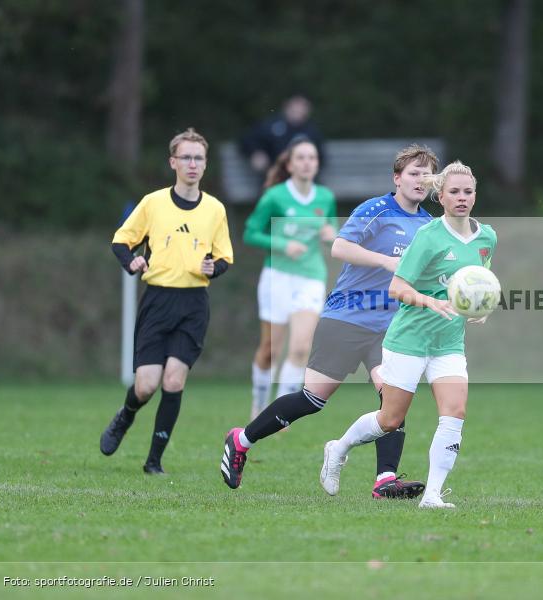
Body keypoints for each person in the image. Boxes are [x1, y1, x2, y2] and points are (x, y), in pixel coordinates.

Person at [221, 144, 439, 499]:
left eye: (426, 175)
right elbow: (339, 247)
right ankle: (241, 440)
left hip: (390, 327)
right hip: (347, 317)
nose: (420, 180)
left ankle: (385, 480)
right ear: (397, 178)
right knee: (312, 399)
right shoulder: (375, 209)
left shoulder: (428, 226)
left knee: (394, 400)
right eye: (413, 173)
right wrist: (385, 262)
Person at [318, 160, 497, 509]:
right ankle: (338, 448)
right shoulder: (427, 236)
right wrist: (430, 301)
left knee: (455, 411)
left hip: (448, 342)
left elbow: (479, 281)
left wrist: (482, 308)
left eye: (468, 192)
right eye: (454, 192)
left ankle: (432, 495)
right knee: (390, 419)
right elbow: (398, 287)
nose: (462, 198)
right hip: (409, 339)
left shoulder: (487, 237)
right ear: (441, 196)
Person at [101, 128, 234, 474]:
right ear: (173, 162)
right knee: (145, 385)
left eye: (199, 158)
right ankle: (125, 415)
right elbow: (121, 242)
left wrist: (213, 267)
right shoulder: (153, 203)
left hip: (193, 305)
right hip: (157, 301)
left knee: (174, 381)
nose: (192, 164)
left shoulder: (215, 210)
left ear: (205, 165)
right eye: (186, 157)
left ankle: (154, 462)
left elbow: (224, 258)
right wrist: (131, 261)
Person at [245, 136, 338, 419]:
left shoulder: (326, 197)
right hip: (278, 276)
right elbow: (250, 233)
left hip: (311, 277)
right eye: (301, 157)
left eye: (312, 157)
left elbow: (332, 231)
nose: (307, 162)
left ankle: (277, 415)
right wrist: (283, 245)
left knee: (299, 349)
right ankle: (259, 402)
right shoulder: (275, 197)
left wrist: (330, 235)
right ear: (289, 163)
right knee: (269, 351)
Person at [240, 95, 326, 175]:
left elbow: (320, 157)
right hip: (276, 176)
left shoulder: (311, 131)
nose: (299, 109)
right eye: (296, 105)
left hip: (303, 178)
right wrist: (256, 152)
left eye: (303, 106)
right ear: (287, 106)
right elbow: (248, 140)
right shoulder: (271, 126)